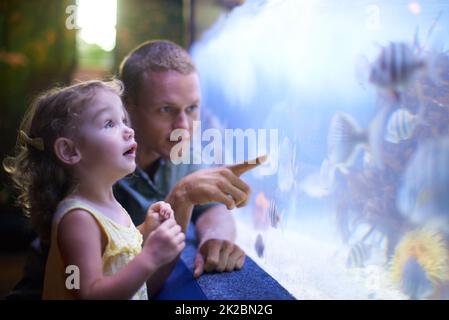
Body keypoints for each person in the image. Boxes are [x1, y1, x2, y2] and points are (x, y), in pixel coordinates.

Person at [3, 80, 185, 299]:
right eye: (109, 123)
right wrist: (151, 257)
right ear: (69, 151)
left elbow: (113, 254)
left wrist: (145, 230)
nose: (128, 131)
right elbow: (89, 293)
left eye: (124, 121)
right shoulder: (77, 219)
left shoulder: (106, 204)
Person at [116, 40, 261, 295]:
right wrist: (181, 197)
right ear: (127, 106)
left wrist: (215, 238)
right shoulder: (94, 167)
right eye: (165, 109)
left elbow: (212, 207)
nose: (183, 125)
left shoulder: (185, 153)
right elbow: (126, 289)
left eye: (192, 108)